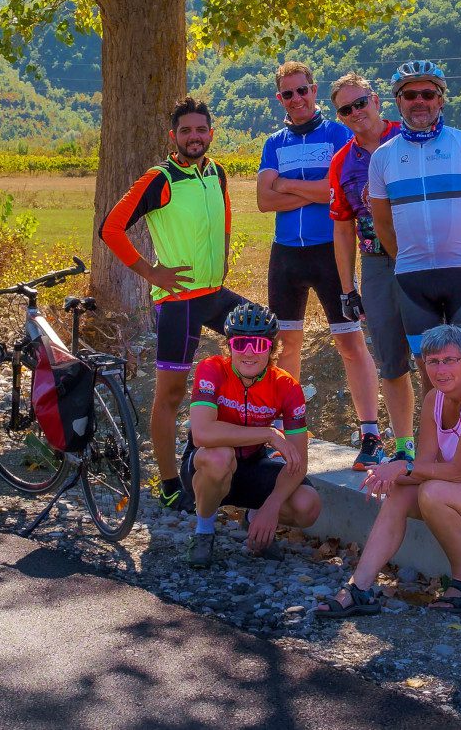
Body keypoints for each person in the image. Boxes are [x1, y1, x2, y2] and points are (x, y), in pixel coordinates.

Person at [313, 324, 461, 617]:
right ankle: (359, 587)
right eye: (433, 362)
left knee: (432, 492)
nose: (441, 369)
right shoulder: (434, 398)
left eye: (450, 360)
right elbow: (427, 464)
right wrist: (388, 474)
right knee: (401, 492)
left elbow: (455, 471)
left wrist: (401, 466)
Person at [100, 96, 248, 513]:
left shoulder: (217, 173)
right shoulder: (159, 177)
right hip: (178, 301)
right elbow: (110, 228)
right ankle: (167, 483)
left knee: (260, 334)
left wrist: (219, 268)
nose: (194, 137)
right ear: (174, 136)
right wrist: (151, 273)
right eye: (186, 131)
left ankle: (224, 448)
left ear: (211, 134)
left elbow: (223, 224)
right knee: (169, 394)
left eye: (201, 130)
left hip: (213, 295)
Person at [255, 60, 385, 470]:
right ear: (280, 100)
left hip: (331, 251)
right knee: (286, 345)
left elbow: (338, 190)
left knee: (350, 343)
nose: (297, 99)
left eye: (303, 90)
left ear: (314, 90)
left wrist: (287, 185)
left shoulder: (338, 132)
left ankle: (370, 432)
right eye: (288, 94)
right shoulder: (273, 141)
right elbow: (264, 201)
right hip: (285, 254)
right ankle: (292, 428)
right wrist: (314, 191)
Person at [366, 60, 461, 381]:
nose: (420, 101)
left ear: (440, 99)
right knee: (433, 381)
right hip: (413, 282)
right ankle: (439, 433)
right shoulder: (383, 157)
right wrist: (403, 260)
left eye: (428, 94)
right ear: (398, 101)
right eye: (410, 94)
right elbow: (383, 224)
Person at [183, 302, 324, 567]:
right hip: (206, 467)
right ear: (229, 347)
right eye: (240, 344)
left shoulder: (286, 386)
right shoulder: (212, 369)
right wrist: (268, 433)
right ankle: (204, 531)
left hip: (253, 465)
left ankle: (253, 517)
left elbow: (299, 461)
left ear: (271, 349)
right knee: (219, 457)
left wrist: (271, 505)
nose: (249, 353)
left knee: (308, 505)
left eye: (258, 345)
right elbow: (202, 433)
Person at [326, 71, 416, 464]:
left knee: (435, 352)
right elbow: (342, 228)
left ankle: (444, 445)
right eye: (346, 109)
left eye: (361, 102)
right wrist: (348, 288)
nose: (356, 112)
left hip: (421, 254)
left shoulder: (411, 134)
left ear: (377, 100)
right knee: (391, 360)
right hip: (377, 260)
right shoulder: (342, 162)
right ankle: (404, 447)